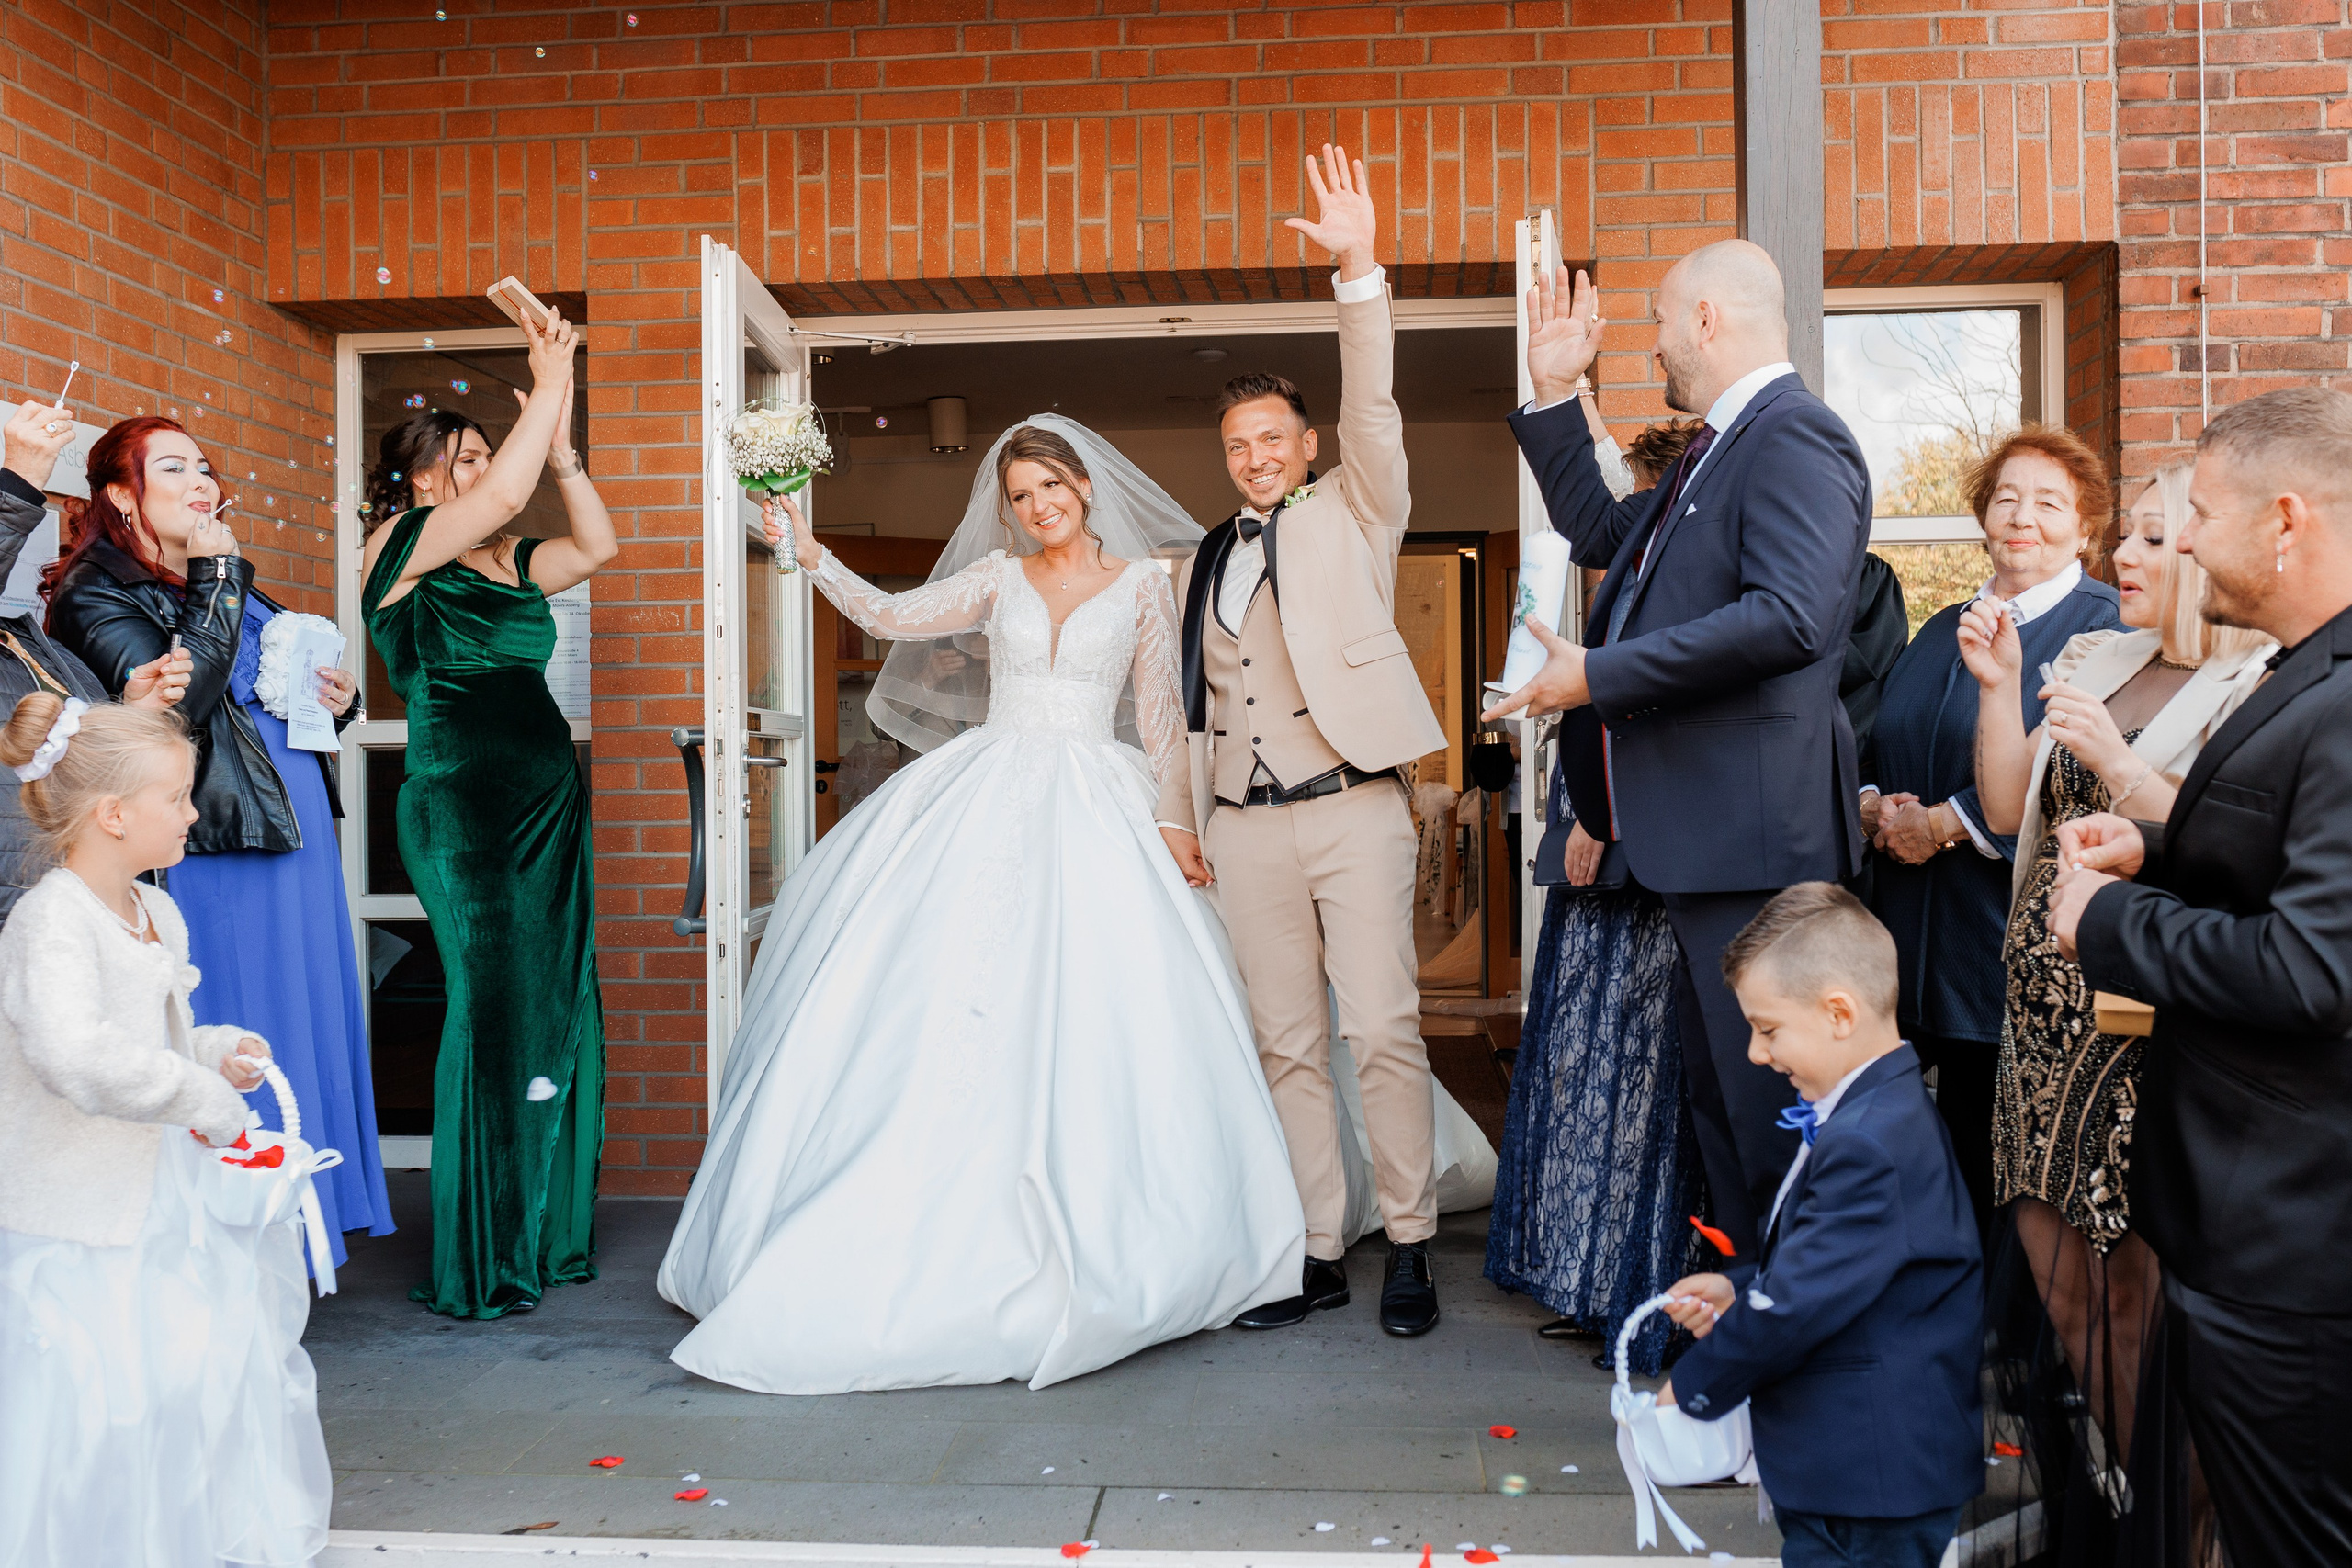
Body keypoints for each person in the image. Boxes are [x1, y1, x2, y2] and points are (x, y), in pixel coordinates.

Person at [658, 417, 1306, 1393]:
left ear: (1084, 486)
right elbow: (888, 617)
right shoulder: (999, 579)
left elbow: (1164, 719)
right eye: (1021, 495)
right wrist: (809, 548)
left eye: (1051, 486)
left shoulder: (1144, 583)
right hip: (991, 781)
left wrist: (1176, 824)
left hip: (1102, 796)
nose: (1040, 506)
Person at [1489, 241, 1873, 1262]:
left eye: (1660, 320)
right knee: (1723, 1114)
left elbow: (1790, 618)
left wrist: (1598, 677)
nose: (1653, 344)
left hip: (1755, 849)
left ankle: (1800, 1327)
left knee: (1768, 1123)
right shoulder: (1715, 448)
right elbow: (1596, 528)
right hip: (1708, 852)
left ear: (1706, 318)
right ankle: (1751, 1321)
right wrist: (1554, 390)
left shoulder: (1794, 437)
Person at [1150, 145, 1449, 1337]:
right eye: (1238, 444)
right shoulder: (1201, 559)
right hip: (1244, 827)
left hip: (1351, 804)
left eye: (1272, 437)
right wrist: (1183, 815)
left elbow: (1373, 402)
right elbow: (1185, 702)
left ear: (1307, 443)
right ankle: (1318, 1243)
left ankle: (1411, 1240)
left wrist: (1358, 270)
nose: (1256, 456)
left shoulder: (1358, 509)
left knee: (1379, 1028)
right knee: (1285, 1042)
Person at [2052, 387, 2352, 1564]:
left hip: (2293, 1243)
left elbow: (2314, 968)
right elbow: (2287, 861)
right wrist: (2160, 847)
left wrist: (2111, 920)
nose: (2178, 539)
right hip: (2246, 1220)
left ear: (2285, 521)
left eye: (2203, 512)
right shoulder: (2303, 669)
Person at [1957, 459, 2272, 1531]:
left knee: (2134, 1295)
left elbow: (2241, 846)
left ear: (2200, 550)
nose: (2120, 556)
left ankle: (2188, 1528)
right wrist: (1999, 686)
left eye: (2147, 537)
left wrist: (2117, 761)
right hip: (2037, 1016)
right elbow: (2012, 809)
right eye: (2123, 534)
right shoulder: (2096, 654)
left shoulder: (2254, 682)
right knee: (2058, 1281)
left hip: (2139, 1018)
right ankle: (2137, 1503)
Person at [44, 415, 390, 1267]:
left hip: (290, 843)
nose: (201, 481)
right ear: (123, 494)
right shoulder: (97, 589)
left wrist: (338, 700)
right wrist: (219, 574)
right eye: (173, 468)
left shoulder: (219, 575)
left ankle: (302, 1226)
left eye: (204, 466)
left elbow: (263, 695)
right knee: (240, 1019)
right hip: (213, 848)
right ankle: (238, 1240)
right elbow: (177, 711)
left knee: (302, 1016)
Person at [0, 692, 330, 1568]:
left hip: (157, 1200)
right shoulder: (51, 922)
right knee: (96, 1399)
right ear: (114, 815)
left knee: (177, 1379)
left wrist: (214, 1052)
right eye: (177, 797)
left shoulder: (156, 911)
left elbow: (155, 1040)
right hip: (77, 1216)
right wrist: (199, 1097)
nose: (192, 813)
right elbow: (73, 1054)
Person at [361, 308, 616, 1319]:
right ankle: (483, 1247)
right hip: (463, 807)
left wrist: (564, 453)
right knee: (494, 1004)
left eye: (485, 454)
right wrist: (549, 377)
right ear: (423, 477)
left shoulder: (509, 560)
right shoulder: (397, 545)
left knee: (554, 997)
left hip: (546, 803)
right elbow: (503, 493)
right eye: (466, 457)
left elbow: (597, 545)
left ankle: (544, 1231)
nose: (486, 470)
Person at [1658, 882, 1984, 1568]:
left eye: (1768, 1028)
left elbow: (1798, 1303)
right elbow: (1836, 1265)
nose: (1755, 1052)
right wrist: (1739, 1286)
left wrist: (1689, 1388)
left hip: (1869, 1477)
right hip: (1866, 1468)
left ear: (1839, 1013)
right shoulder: (1877, 1112)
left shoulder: (1869, 1141)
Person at [1487, 419, 1704, 1373]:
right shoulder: (1631, 584)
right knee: (1591, 1069)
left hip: (1647, 850)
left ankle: (1640, 1287)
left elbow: (1652, 715)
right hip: (1603, 837)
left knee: (1644, 1077)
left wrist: (1602, 818)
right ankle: (1592, 1275)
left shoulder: (1689, 592)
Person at [1865, 427, 2120, 1236]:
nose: (2022, 517)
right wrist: (1874, 803)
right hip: (1908, 943)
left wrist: (1945, 824)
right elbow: (1880, 736)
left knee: (1992, 1181)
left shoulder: (2104, 631)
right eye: (2006, 498)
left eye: (2049, 503)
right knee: (1906, 1172)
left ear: (2085, 527)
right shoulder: (1944, 624)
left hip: (2000, 954)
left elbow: (2069, 777)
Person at [0, 397, 190, 923]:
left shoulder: (30, 641)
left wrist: (132, 713)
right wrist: (18, 480)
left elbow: (80, 766)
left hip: (76, 900)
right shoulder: (91, 592)